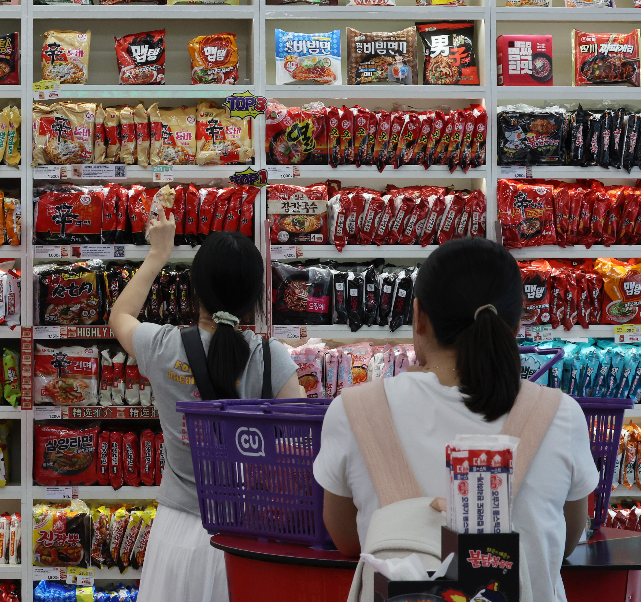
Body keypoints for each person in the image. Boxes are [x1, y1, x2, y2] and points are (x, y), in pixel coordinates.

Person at [314, 237, 599, 602]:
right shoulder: (561, 414)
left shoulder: (356, 412)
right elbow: (564, 541)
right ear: (514, 325)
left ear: (418, 317)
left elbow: (347, 539)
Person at [109, 212, 304, 602]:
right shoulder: (274, 359)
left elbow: (120, 316)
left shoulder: (164, 346)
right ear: (254, 295)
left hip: (175, 533)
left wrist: (158, 253)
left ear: (195, 289)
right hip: (249, 535)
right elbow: (300, 449)